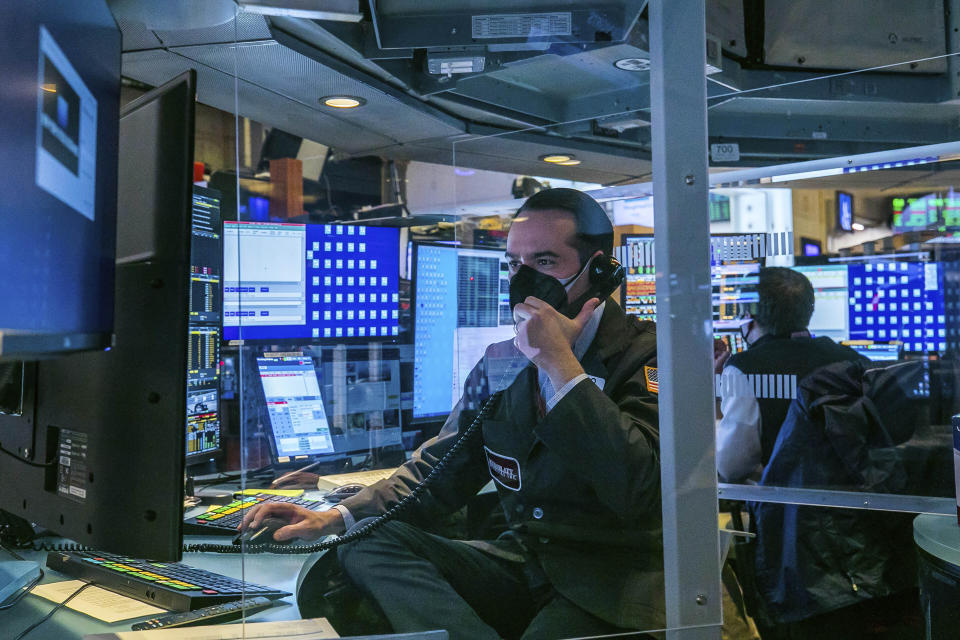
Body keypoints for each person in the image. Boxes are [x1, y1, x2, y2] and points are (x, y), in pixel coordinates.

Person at [240, 188, 665, 640]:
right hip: (525, 565)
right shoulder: (503, 362)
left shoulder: (651, 355)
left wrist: (560, 365)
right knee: (364, 540)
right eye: (514, 265)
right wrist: (338, 517)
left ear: (599, 271)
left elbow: (637, 484)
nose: (524, 281)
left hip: (614, 584)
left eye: (544, 263)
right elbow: (442, 466)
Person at [715, 267, 867, 483]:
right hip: (855, 503)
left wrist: (720, 390)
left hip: (792, 510)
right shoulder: (852, 359)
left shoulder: (745, 369)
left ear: (748, 317)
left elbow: (731, 467)